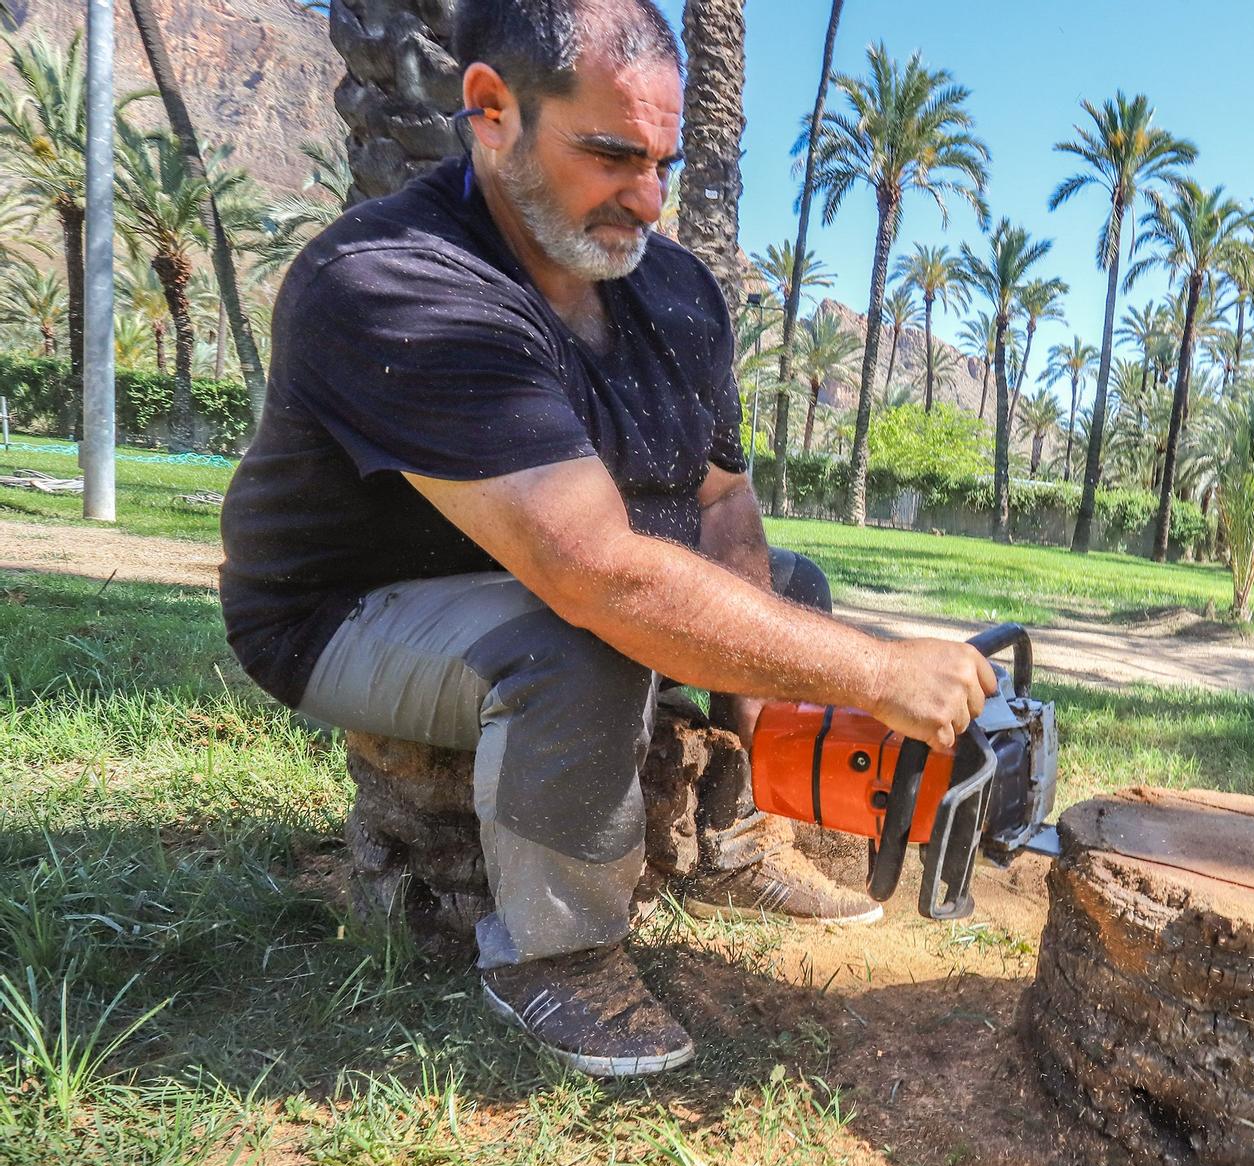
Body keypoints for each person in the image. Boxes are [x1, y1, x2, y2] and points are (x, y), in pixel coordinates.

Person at [217, 0, 993, 1078]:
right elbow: (590, 573)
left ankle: (730, 835)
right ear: (490, 111)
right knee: (579, 636)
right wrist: (876, 673)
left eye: (665, 161)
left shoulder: (670, 289)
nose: (647, 196)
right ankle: (555, 953)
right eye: (611, 154)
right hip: (342, 609)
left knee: (788, 589)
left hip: (534, 568)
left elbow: (721, 502)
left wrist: (771, 705)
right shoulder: (395, 280)